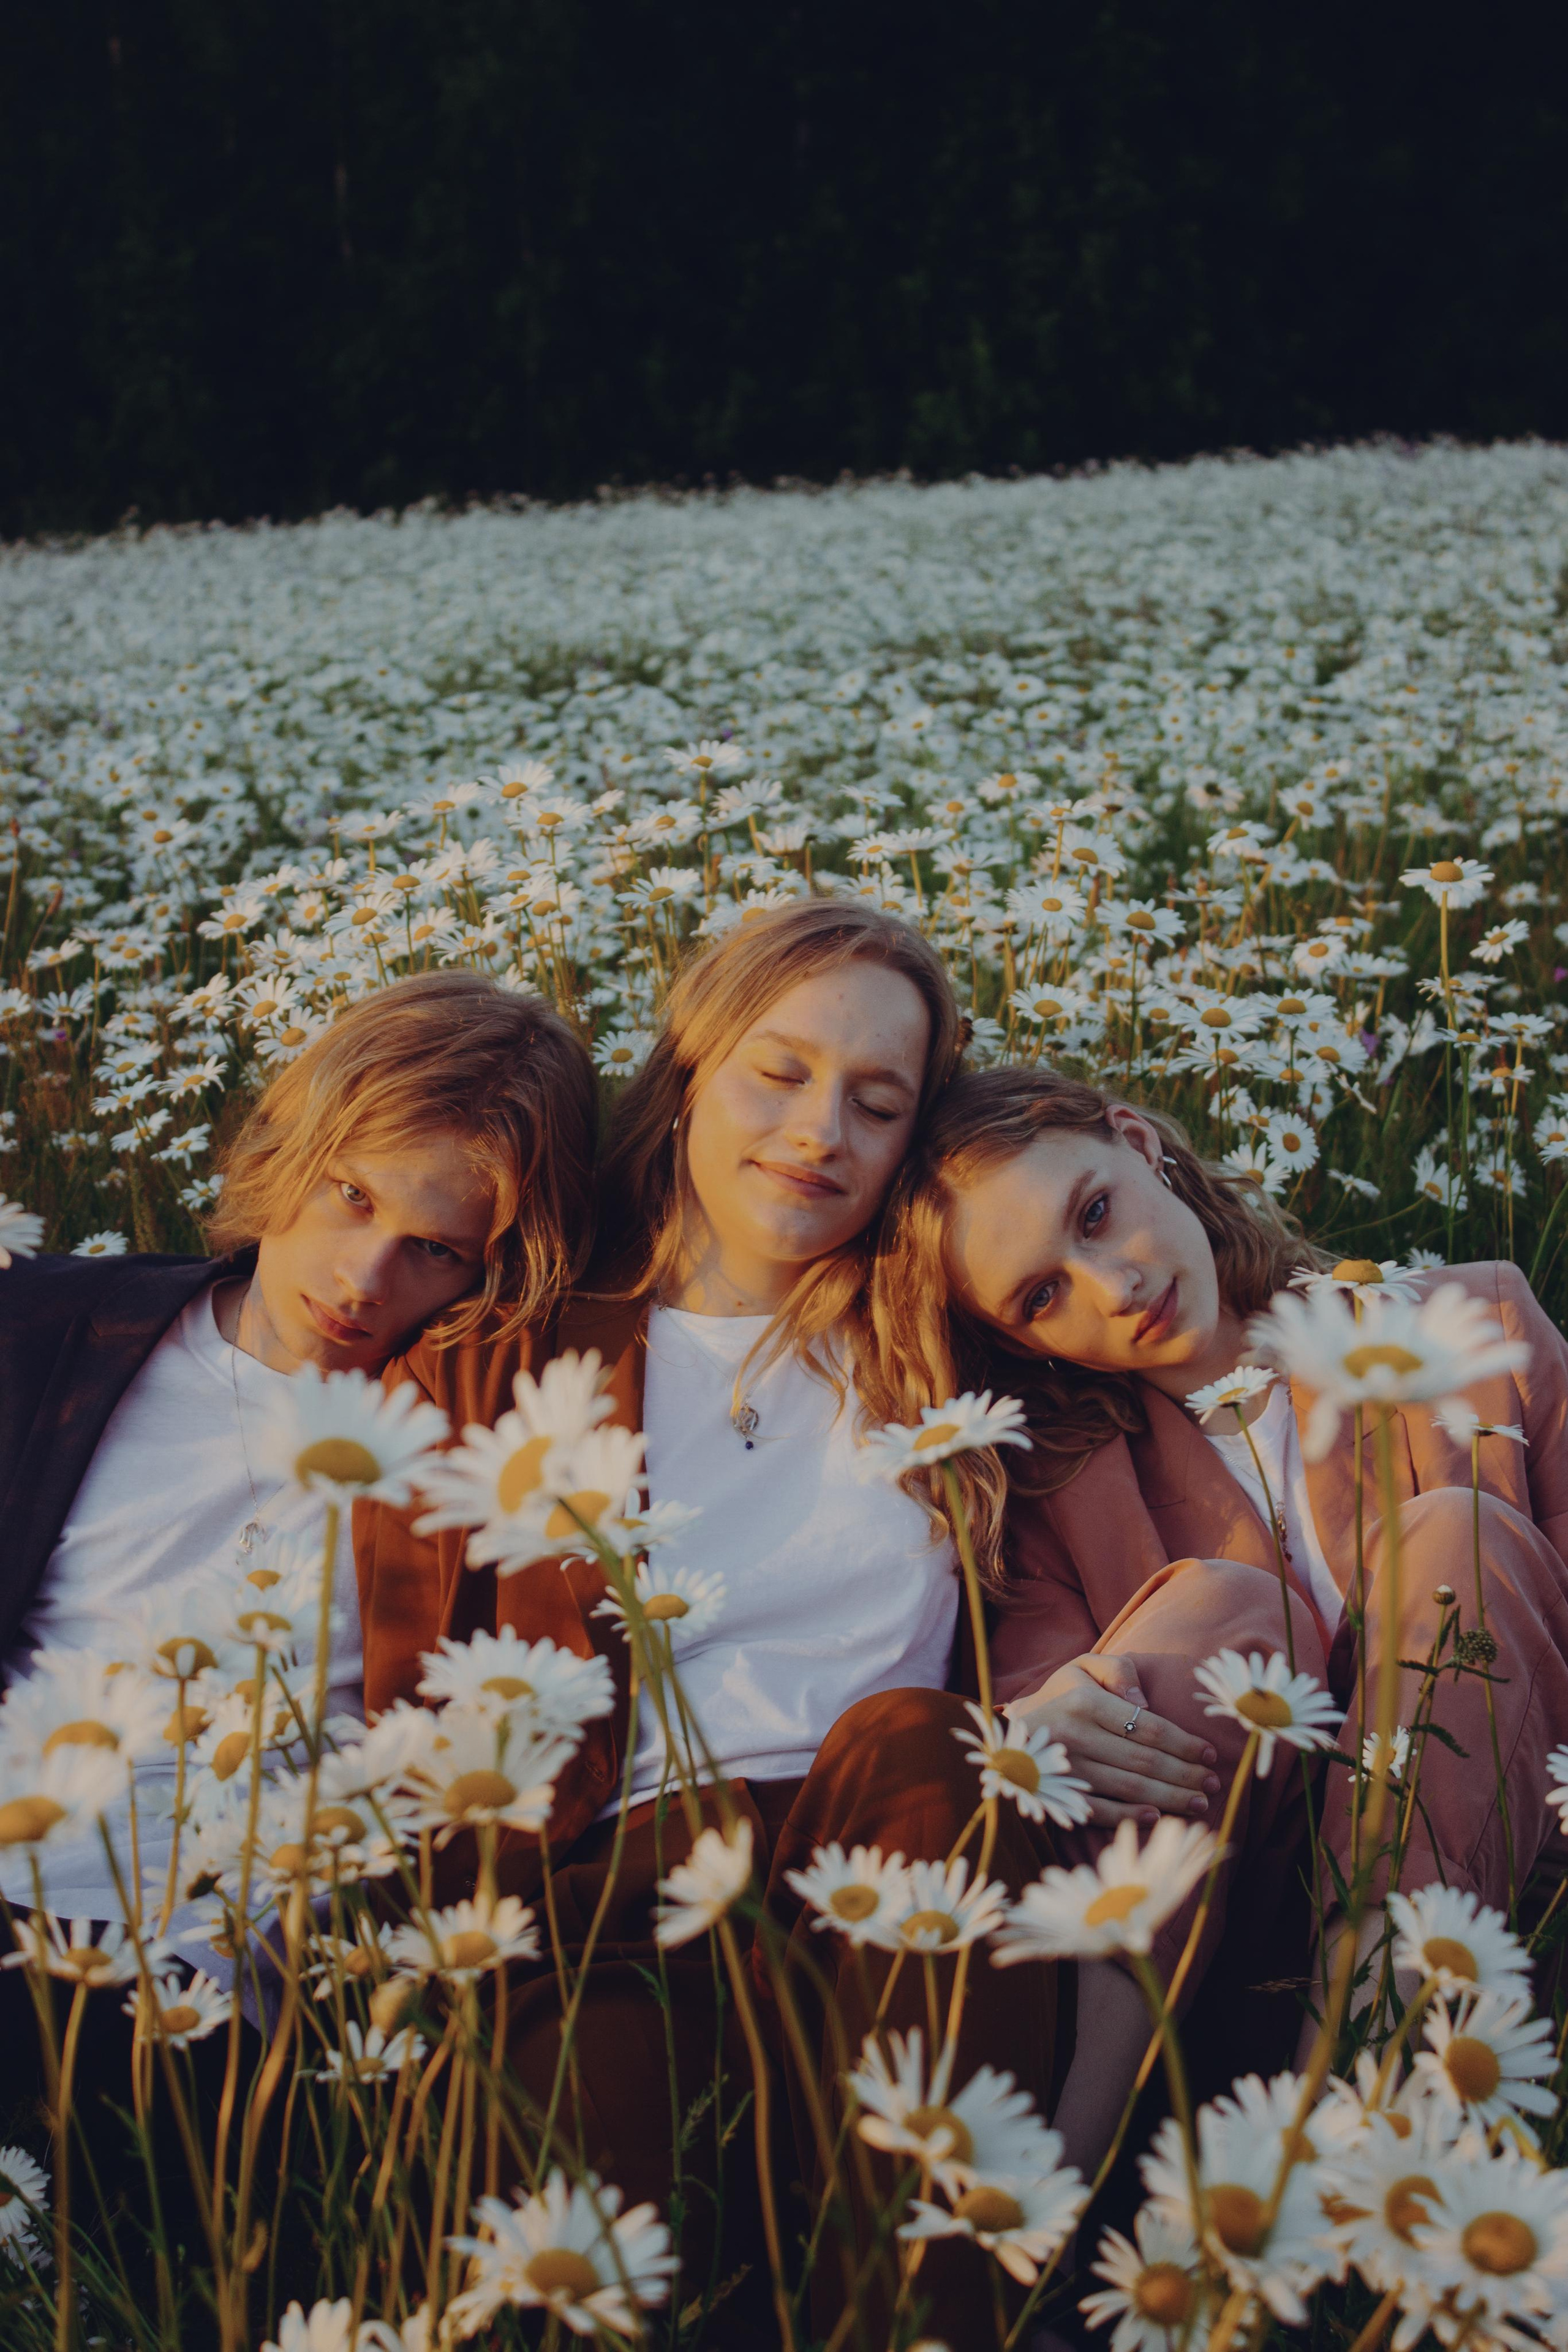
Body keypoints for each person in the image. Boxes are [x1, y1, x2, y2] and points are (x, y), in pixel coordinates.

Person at [356, 901, 1061, 2340]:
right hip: (610, 1895)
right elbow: (414, 1700)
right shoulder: (493, 1359)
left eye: (877, 1105)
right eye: (778, 1074)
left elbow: (1187, 1320)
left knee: (928, 1744)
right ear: (686, 1073)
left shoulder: (948, 1343)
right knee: (583, 2263)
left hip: (891, 1849)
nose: (819, 1133)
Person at [870, 1060, 1568, 2176]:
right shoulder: (1057, 1494)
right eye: (1042, 1296)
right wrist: (1044, 1712)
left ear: (1139, 1142)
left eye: (1094, 1213)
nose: (1112, 1285)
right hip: (1230, 1929)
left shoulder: (1471, 1322)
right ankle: (1051, 2202)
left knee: (1456, 1534)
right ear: (1021, 1343)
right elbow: (1056, 1745)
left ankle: (1355, 2114)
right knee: (1223, 1611)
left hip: (1494, 1890)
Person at [0, 972, 596, 2132]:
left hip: (194, 1985)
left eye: (435, 1249)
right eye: (351, 1196)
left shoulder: (475, 1446)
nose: (365, 1277)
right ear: (288, 1149)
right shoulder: (55, 1329)